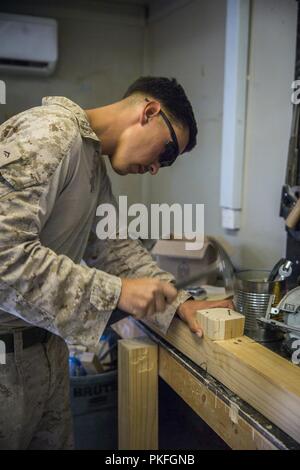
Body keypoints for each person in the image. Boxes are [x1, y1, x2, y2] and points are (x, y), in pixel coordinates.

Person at [0, 76, 232, 449]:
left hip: (44, 352)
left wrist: (178, 301)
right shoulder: (51, 134)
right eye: (168, 151)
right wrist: (117, 292)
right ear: (150, 112)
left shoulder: (90, 160)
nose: (159, 167)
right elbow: (4, 256)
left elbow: (114, 249)